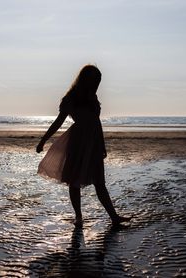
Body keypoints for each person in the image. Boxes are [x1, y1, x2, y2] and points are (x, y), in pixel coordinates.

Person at [36, 64, 131, 227]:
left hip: (93, 142)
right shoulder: (71, 98)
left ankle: (114, 217)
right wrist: (43, 140)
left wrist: (102, 144)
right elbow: (59, 122)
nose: (97, 83)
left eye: (99, 80)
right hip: (78, 141)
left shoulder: (92, 97)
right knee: (74, 180)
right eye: (95, 79)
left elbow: (96, 121)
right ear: (86, 79)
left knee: (100, 182)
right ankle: (79, 217)